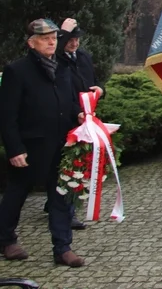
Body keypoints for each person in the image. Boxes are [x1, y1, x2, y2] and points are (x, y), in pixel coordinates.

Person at [0, 19, 85, 267]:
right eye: (45, 38)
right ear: (31, 43)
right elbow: (7, 116)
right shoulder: (17, 71)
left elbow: (68, 102)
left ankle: (62, 247)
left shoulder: (62, 68)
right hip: (30, 147)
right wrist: (15, 148)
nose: (51, 41)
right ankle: (6, 240)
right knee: (17, 193)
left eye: (53, 37)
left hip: (62, 145)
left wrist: (78, 114)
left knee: (60, 196)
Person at [54, 18, 104, 230]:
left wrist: (100, 91)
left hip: (87, 115)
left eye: (76, 39)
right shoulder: (57, 59)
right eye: (69, 40)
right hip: (67, 117)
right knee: (68, 165)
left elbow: (93, 81)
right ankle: (66, 208)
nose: (74, 44)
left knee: (80, 163)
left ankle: (66, 204)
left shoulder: (84, 57)